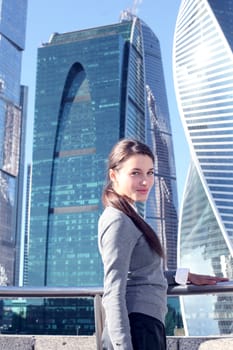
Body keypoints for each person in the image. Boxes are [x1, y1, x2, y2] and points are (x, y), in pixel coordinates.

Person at [98, 138, 228, 350]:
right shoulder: (117, 220)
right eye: (135, 173)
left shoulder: (128, 216)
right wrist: (124, 347)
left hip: (144, 323)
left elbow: (140, 273)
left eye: (150, 173)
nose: (145, 181)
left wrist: (183, 277)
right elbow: (113, 290)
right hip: (137, 327)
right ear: (114, 175)